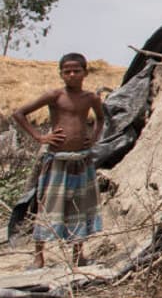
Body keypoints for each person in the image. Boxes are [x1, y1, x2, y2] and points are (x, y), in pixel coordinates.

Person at [12, 53, 105, 269]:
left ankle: (78, 255)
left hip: (81, 161)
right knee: (48, 207)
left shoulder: (91, 98)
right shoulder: (55, 96)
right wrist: (39, 137)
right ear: (61, 74)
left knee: (79, 207)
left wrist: (94, 138)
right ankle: (38, 257)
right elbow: (19, 113)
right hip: (57, 161)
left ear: (85, 73)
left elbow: (101, 118)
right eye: (67, 71)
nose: (72, 75)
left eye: (76, 71)